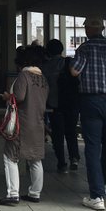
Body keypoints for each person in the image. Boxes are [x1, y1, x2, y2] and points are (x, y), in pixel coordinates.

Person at [0, 44, 49, 206]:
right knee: (35, 159)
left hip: (22, 123)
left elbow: (18, 97)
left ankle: (12, 194)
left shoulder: (24, 76)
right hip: (38, 123)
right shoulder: (43, 78)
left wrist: (6, 96)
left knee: (10, 157)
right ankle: (35, 193)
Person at [70, 16, 106, 211]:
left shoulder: (85, 48)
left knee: (92, 147)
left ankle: (97, 195)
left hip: (91, 100)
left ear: (89, 30)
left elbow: (75, 71)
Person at [42, 39, 80, 173]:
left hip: (54, 104)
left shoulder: (45, 67)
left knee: (58, 134)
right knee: (71, 131)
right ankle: (74, 158)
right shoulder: (69, 62)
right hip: (71, 103)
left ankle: (61, 163)